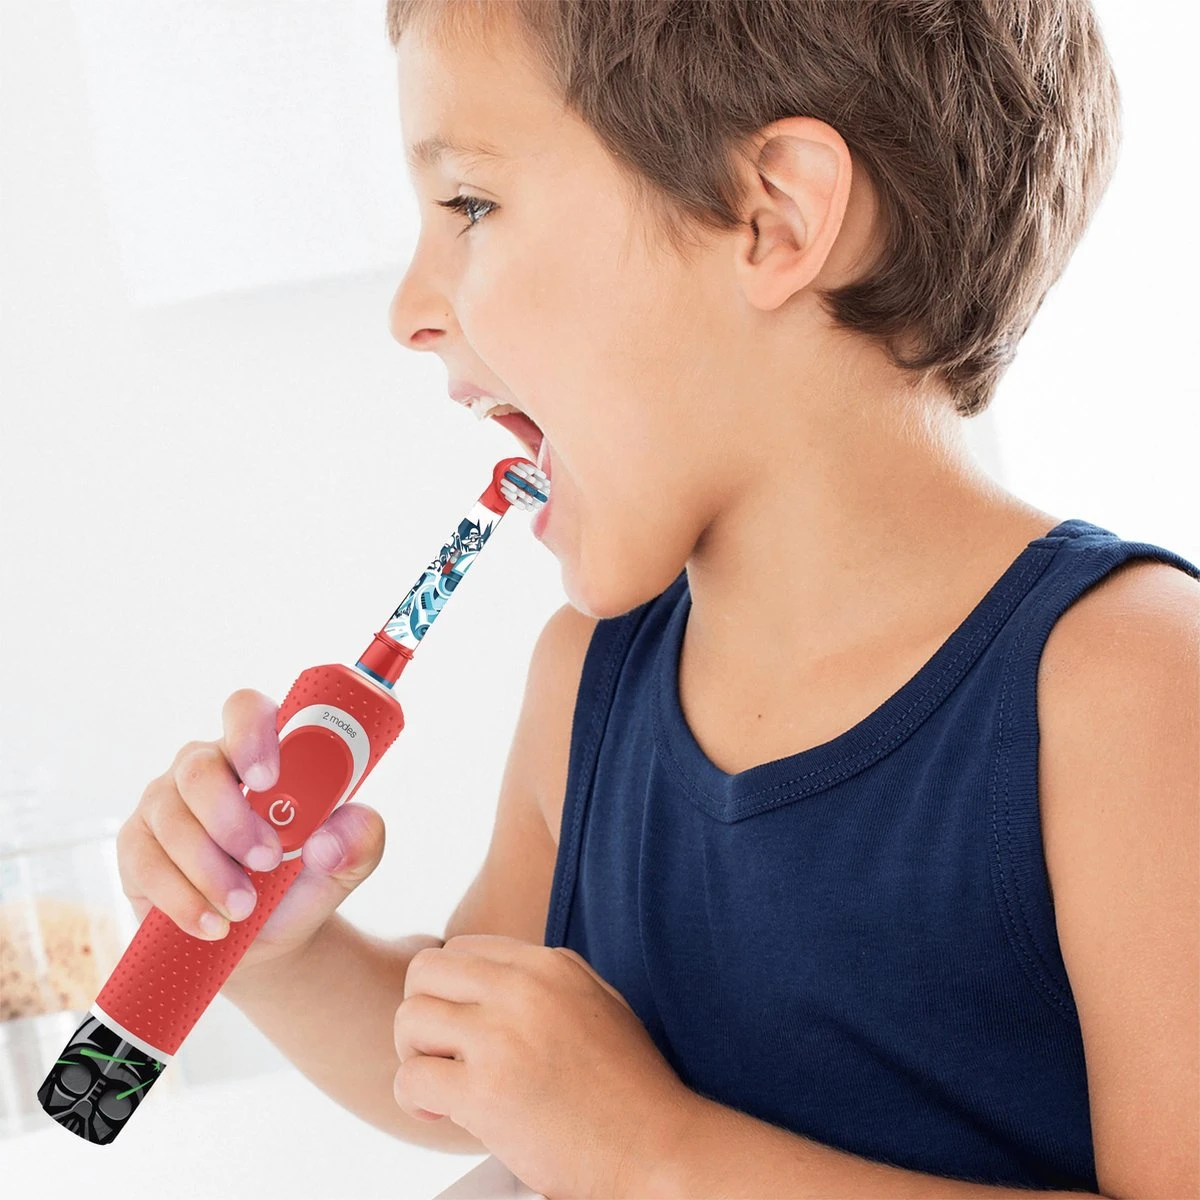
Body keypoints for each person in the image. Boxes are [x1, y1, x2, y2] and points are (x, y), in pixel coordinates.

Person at [117, 2, 1199, 1196]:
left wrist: (655, 1154)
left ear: (773, 215)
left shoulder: (1132, 688)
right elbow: (475, 1062)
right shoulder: (587, 680)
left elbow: (598, 1130)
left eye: (470, 205)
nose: (408, 311)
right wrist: (279, 952)